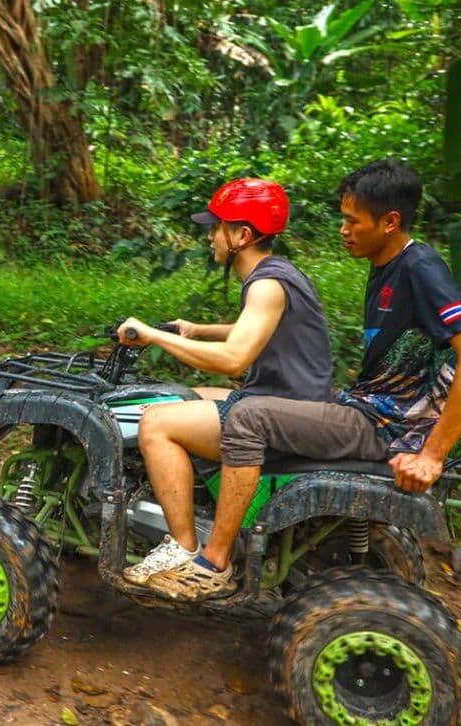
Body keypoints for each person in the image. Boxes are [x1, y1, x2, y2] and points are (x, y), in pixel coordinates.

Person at [144, 159, 461, 602]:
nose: (343, 230)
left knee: (248, 414)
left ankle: (212, 562)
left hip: (384, 426)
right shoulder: (389, 266)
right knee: (197, 400)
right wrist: (197, 330)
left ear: (390, 222)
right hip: (368, 409)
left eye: (352, 221)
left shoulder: (420, 268)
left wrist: (431, 454)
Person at [115, 178, 333, 588]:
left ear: (242, 235)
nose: (210, 236)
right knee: (188, 396)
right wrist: (198, 329)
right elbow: (254, 330)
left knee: (156, 423)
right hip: (291, 402)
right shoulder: (277, 274)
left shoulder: (266, 284)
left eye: (216, 227)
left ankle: (184, 549)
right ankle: (196, 500)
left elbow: (235, 358)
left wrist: (155, 335)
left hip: (284, 412)